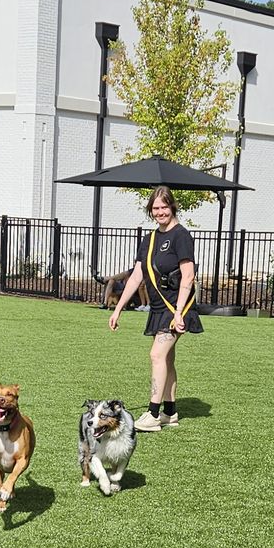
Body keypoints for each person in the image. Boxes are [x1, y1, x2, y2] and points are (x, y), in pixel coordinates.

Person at [108, 185, 201, 431]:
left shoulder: (181, 236)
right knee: (167, 359)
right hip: (158, 308)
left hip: (176, 308)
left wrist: (179, 312)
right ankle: (170, 412)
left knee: (156, 355)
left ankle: (152, 414)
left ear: (172, 206)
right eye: (155, 208)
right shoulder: (149, 239)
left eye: (164, 207)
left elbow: (188, 276)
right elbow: (138, 275)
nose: (160, 212)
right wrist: (118, 309)